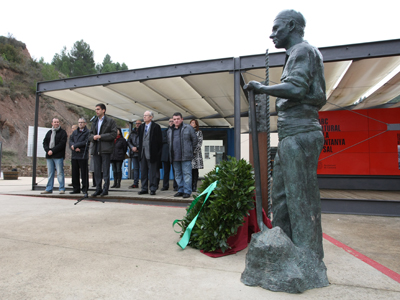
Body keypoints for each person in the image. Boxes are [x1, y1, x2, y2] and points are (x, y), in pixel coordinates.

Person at [246, 9, 326, 261]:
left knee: (299, 199)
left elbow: (296, 87)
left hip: (301, 133)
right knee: (281, 196)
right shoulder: (296, 54)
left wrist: (262, 88)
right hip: (290, 135)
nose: (272, 35)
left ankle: (307, 257)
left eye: (276, 29)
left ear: (291, 26)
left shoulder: (303, 51)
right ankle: (286, 248)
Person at [89, 103, 118, 197]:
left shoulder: (110, 121)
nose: (96, 111)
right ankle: (98, 188)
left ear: (103, 110)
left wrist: (101, 136)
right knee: (97, 170)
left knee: (105, 170)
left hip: (105, 148)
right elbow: (89, 135)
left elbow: (113, 134)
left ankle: (105, 189)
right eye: (96, 109)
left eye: (98, 109)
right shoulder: (94, 121)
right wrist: (93, 137)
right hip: (96, 147)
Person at [167, 112, 198, 198]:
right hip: (174, 156)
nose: (176, 121)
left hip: (186, 156)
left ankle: (187, 191)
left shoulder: (188, 128)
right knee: (177, 174)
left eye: (178, 119)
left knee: (187, 174)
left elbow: (195, 140)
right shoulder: (170, 130)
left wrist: (190, 150)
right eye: (174, 119)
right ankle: (180, 190)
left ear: (182, 119)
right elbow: (169, 143)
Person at [137, 111, 162, 195]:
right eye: (143, 116)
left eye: (146, 116)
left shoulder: (156, 127)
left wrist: (157, 153)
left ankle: (152, 188)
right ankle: (144, 188)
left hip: (152, 153)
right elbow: (140, 140)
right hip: (142, 152)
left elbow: (159, 141)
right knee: (143, 171)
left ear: (151, 117)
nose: (144, 117)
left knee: (152, 172)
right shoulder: (141, 127)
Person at [41, 118, 67, 194]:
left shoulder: (63, 133)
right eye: (55, 122)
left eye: (57, 122)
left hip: (58, 156)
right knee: (50, 173)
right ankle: (49, 188)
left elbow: (62, 144)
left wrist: (53, 151)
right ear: (52, 123)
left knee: (60, 173)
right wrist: (48, 150)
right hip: (49, 156)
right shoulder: (49, 132)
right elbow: (44, 142)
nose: (56, 123)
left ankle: (61, 188)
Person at [69, 118, 89, 197]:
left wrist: (76, 145)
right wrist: (72, 146)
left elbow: (86, 142)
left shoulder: (87, 132)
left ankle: (85, 189)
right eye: (79, 122)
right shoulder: (74, 132)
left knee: (84, 173)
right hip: (74, 155)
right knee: (75, 173)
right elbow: (70, 141)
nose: (80, 124)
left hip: (82, 155)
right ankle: (76, 189)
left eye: (82, 122)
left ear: (85, 123)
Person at [190, 119, 204, 192]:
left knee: (195, 170)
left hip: (196, 154)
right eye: (191, 123)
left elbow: (200, 143)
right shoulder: (188, 132)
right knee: (189, 171)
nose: (192, 124)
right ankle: (190, 185)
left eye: (193, 123)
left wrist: (194, 151)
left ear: (196, 124)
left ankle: (194, 186)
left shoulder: (199, 132)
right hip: (189, 154)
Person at [127, 120, 141, 188]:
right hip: (133, 153)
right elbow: (129, 141)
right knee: (135, 169)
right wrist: (132, 147)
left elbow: (144, 142)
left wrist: (138, 148)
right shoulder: (132, 133)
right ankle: (136, 183)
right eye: (136, 123)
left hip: (141, 153)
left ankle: (145, 184)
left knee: (143, 169)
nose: (137, 124)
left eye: (139, 123)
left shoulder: (143, 132)